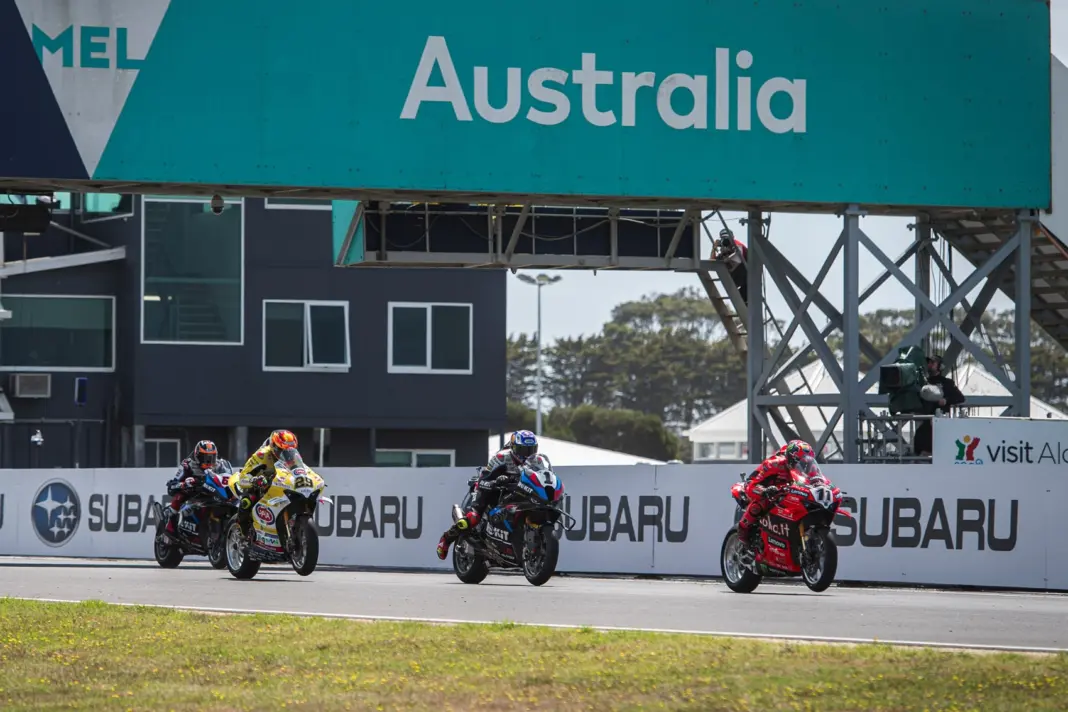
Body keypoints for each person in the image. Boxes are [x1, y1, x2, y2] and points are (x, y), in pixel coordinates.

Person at [436, 430, 549, 560]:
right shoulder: (501, 457)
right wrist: (496, 481)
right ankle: (446, 539)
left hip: (520, 492)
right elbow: (483, 478)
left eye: (531, 450)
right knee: (473, 518)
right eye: (523, 450)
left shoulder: (539, 461)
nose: (527, 454)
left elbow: (543, 476)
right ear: (514, 448)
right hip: (493, 490)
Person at [737, 440, 818, 547]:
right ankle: (743, 533)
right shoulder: (774, 464)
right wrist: (765, 491)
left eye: (807, 462)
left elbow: (816, 481)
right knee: (759, 505)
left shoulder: (809, 467)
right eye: (800, 462)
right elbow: (752, 486)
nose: (804, 466)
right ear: (791, 459)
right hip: (765, 491)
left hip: (788, 495)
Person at [232, 430, 300, 526]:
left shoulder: (294, 457)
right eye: (281, 450)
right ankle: (242, 533)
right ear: (274, 446)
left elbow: (300, 471)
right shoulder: (261, 455)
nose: (286, 454)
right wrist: (254, 481)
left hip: (281, 485)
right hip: (259, 486)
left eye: (290, 450)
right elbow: (243, 476)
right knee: (246, 502)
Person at [163, 440, 220, 537]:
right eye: (205, 458)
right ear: (197, 456)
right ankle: (169, 524)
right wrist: (184, 484)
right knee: (179, 497)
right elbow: (172, 485)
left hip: (212, 493)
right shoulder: (187, 465)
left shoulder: (220, 465)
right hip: (193, 493)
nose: (209, 462)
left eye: (212, 458)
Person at [913, 354, 966, 456]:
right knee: (920, 440)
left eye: (933, 362)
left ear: (940, 366)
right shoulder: (922, 382)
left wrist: (946, 400)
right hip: (926, 421)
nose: (930, 365)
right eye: (928, 362)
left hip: (941, 421)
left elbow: (960, 398)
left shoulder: (946, 383)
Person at [714, 227, 749, 304]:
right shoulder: (725, 249)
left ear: (732, 238)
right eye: (723, 238)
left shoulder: (738, 245)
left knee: (744, 299)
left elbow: (737, 260)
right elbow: (712, 261)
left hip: (747, 276)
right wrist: (714, 248)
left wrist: (725, 260)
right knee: (741, 299)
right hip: (739, 276)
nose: (726, 241)